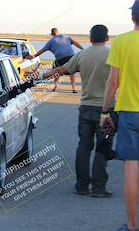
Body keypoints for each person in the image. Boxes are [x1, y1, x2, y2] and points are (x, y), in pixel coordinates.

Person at [33, 25, 117, 197]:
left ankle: (82, 186)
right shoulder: (113, 55)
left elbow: (60, 70)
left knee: (84, 147)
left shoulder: (82, 55)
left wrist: (38, 77)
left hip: (86, 108)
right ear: (107, 38)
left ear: (91, 38)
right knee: (103, 147)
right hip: (107, 109)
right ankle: (99, 188)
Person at [101, 0, 139, 231]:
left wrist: (105, 111)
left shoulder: (122, 42)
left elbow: (112, 82)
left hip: (129, 114)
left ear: (132, 17)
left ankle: (132, 227)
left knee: (131, 171)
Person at [26, 28, 83, 92]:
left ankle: (55, 87)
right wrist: (82, 49)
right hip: (71, 57)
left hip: (60, 59)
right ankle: (74, 88)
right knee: (72, 72)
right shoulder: (65, 37)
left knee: (56, 73)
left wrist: (34, 56)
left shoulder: (51, 40)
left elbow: (43, 50)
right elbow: (75, 42)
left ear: (52, 34)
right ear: (58, 32)